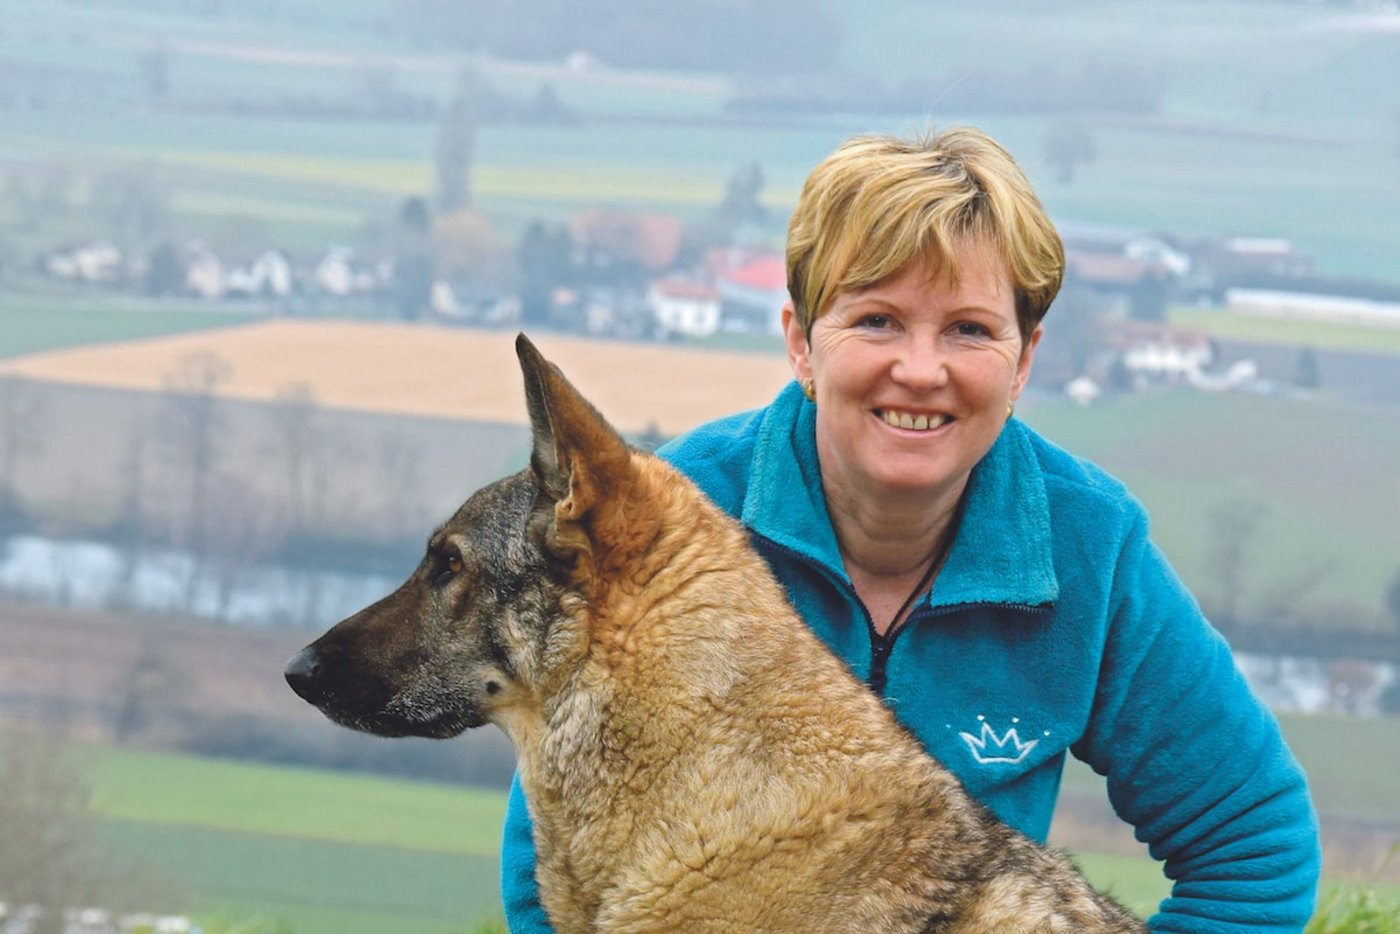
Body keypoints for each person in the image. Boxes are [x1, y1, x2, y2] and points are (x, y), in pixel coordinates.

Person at [500, 127, 1321, 931]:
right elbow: (554, 873)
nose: (921, 371)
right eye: (878, 321)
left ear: (1024, 360)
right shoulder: (671, 525)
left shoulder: (1088, 544)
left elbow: (1254, 848)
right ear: (801, 343)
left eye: (969, 329)